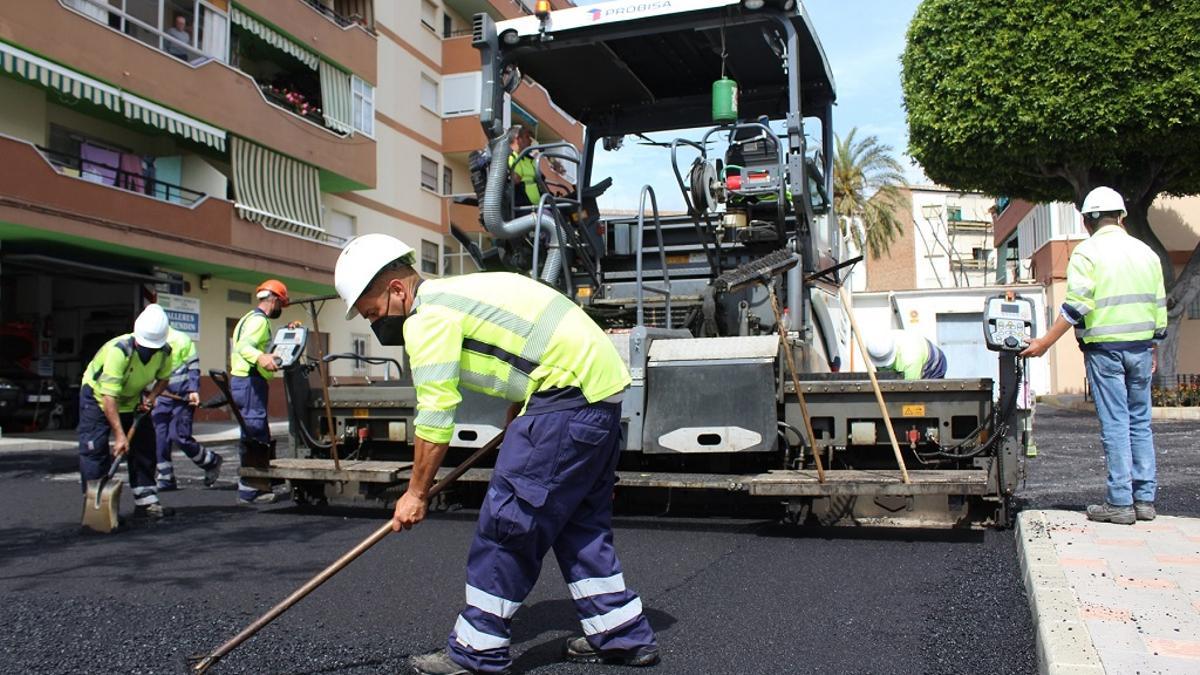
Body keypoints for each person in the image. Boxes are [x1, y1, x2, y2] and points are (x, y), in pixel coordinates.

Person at [334, 234, 660, 675]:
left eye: (373, 313)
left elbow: (434, 415)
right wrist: (524, 405)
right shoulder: (464, 292)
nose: (376, 325)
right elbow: (528, 341)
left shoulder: (426, 316)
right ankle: (622, 636)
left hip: (563, 399)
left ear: (397, 289)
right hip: (597, 400)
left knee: (507, 525)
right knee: (579, 526)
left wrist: (415, 492)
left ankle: (477, 651)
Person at [1021, 186, 1167, 525]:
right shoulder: (1146, 253)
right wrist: (1154, 344)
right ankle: (1144, 499)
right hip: (1142, 348)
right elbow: (1159, 306)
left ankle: (1120, 502)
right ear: (1122, 217)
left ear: (1087, 220)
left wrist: (1044, 342)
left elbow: (1077, 306)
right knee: (1140, 423)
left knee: (1116, 423)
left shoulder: (1087, 254)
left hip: (1105, 351)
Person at [78, 304, 174, 520]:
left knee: (144, 445)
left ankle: (146, 501)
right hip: (97, 398)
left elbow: (164, 378)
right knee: (95, 449)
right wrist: (120, 436)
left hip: (132, 399)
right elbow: (109, 397)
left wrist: (151, 398)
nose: (148, 351)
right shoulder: (119, 351)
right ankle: (95, 505)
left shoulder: (164, 352)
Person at [229, 279, 288, 505]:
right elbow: (244, 347)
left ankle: (256, 483)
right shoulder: (260, 321)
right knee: (255, 432)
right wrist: (261, 358)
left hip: (244, 381)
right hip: (250, 381)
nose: (279, 309)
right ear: (274, 300)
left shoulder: (247, 318)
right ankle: (251, 488)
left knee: (252, 430)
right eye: (281, 304)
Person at [152, 326, 222, 491]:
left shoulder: (181, 339)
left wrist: (193, 390)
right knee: (160, 437)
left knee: (179, 436)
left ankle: (210, 461)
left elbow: (193, 367)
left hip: (181, 395)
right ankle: (165, 477)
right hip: (161, 395)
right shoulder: (144, 338)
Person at [864, 329, 947, 380]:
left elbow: (911, 388)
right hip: (907, 358)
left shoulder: (910, 358)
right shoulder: (877, 346)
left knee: (925, 395)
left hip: (933, 362)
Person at [507, 125, 541, 208]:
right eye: (527, 137)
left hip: (539, 206)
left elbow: (540, 180)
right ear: (518, 139)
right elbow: (515, 179)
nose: (530, 141)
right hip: (522, 208)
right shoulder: (508, 157)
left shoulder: (530, 159)